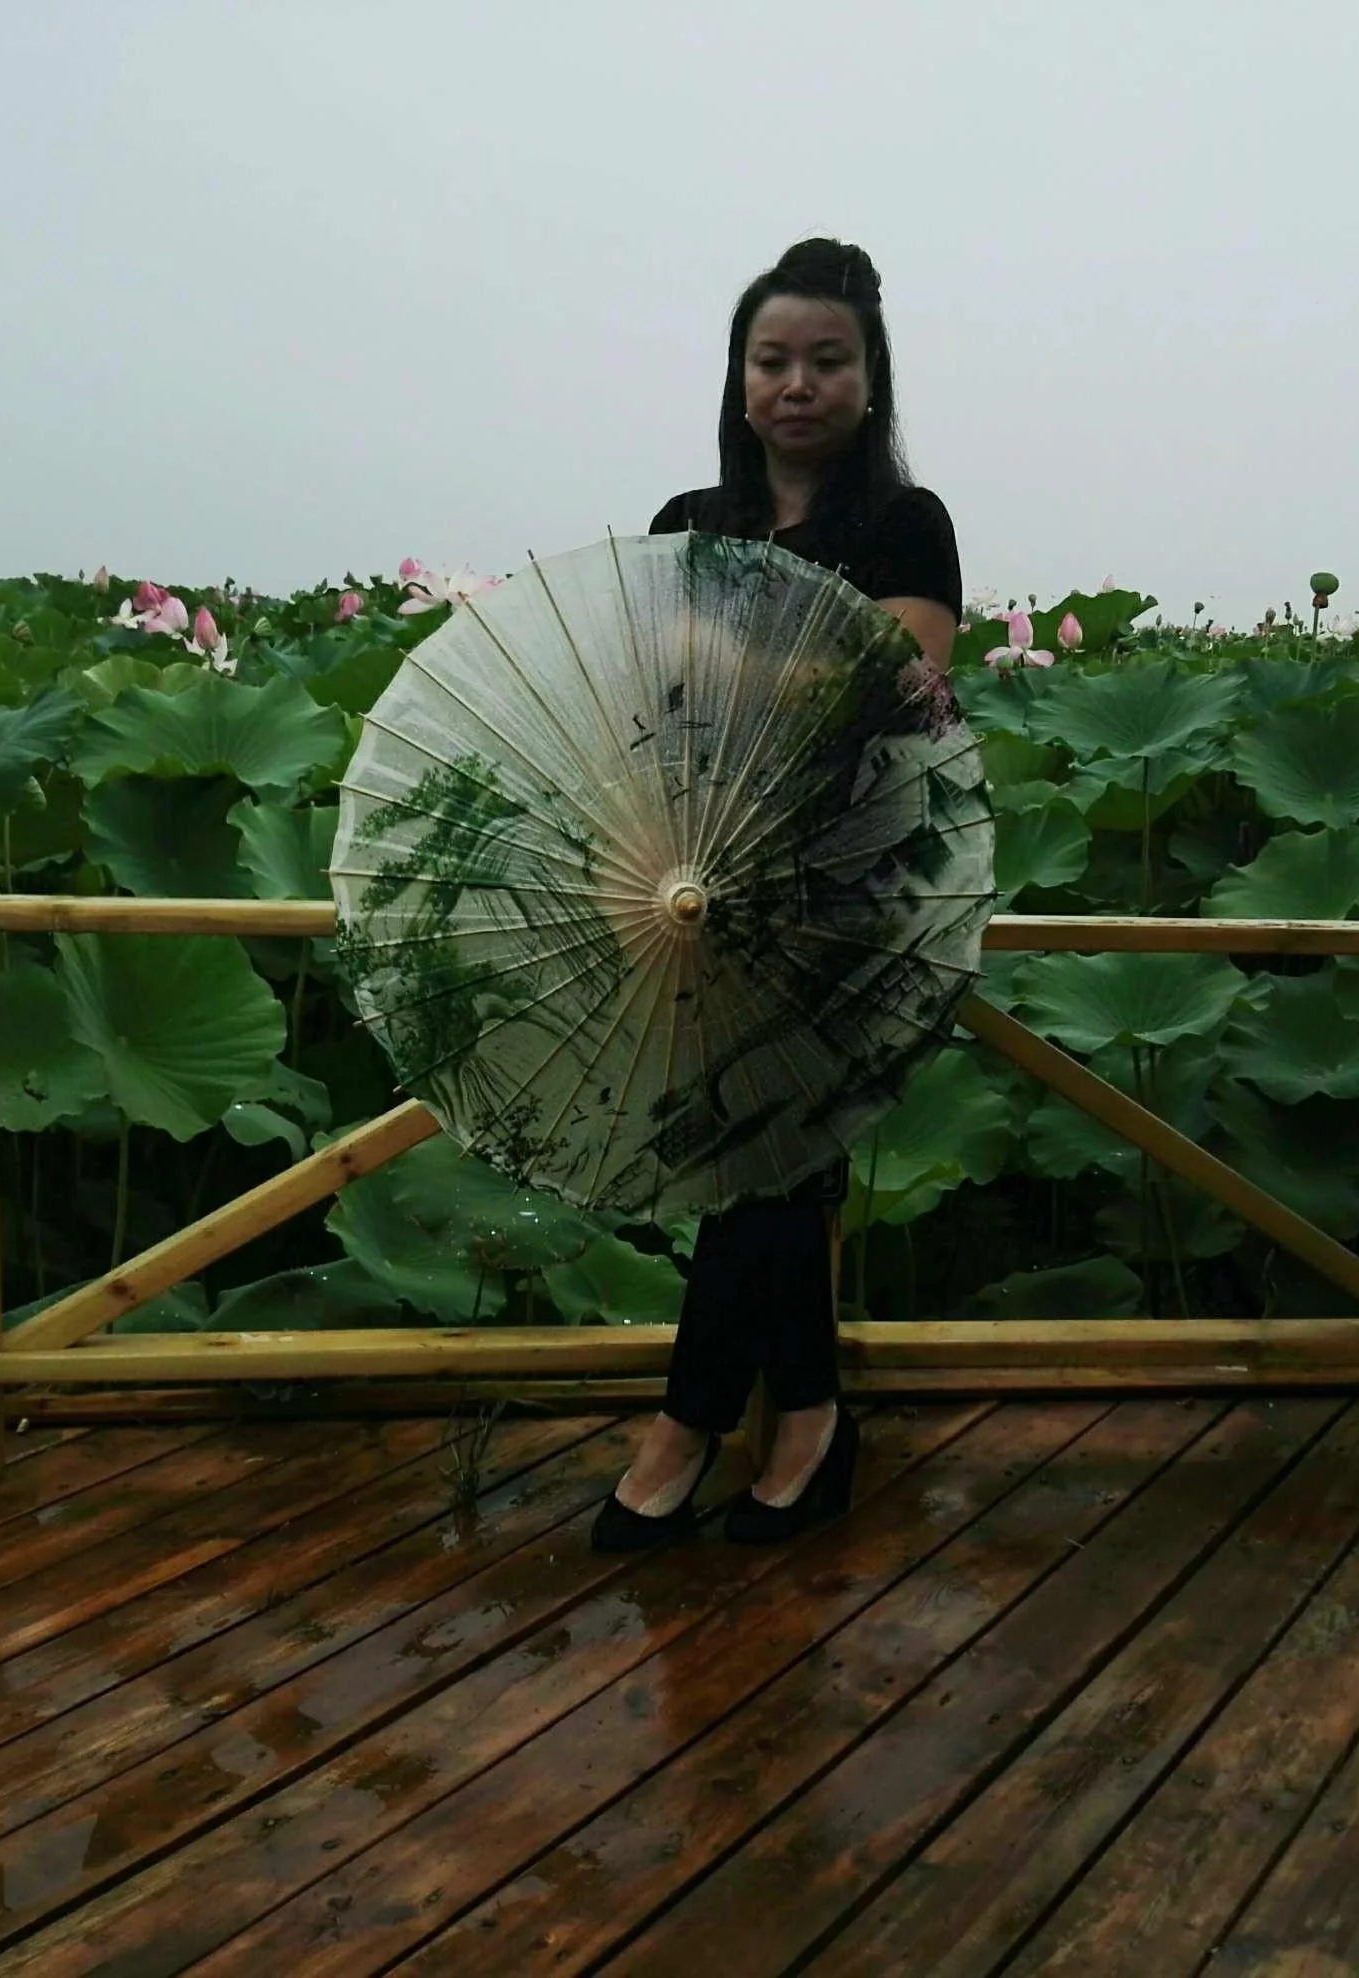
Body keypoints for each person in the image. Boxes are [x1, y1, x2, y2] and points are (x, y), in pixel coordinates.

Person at [588, 235, 963, 1554]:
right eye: (773, 360)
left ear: (870, 382)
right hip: (694, 879)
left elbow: (896, 682)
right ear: (740, 380)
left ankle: (681, 1429)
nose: (797, 383)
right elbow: (656, 698)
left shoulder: (906, 527)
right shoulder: (686, 527)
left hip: (841, 884)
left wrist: (797, 680)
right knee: (769, 1163)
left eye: (827, 360)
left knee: (765, 1157)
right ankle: (808, 1418)